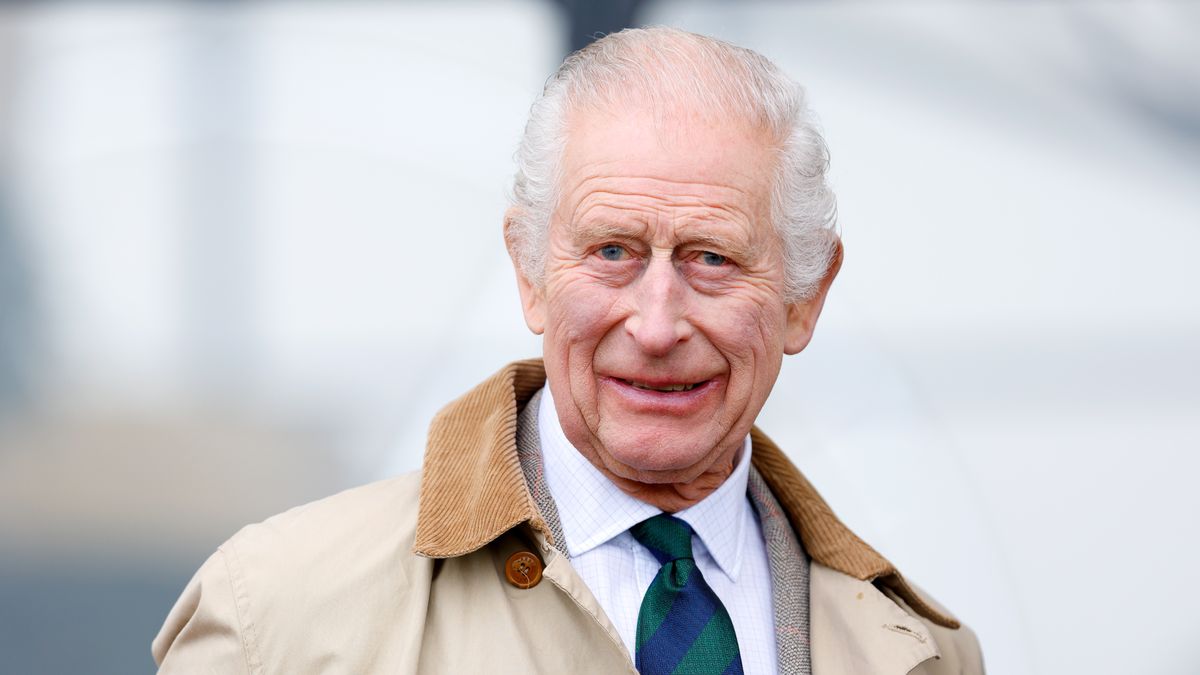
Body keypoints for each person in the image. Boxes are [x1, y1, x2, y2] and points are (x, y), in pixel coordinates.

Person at [153, 27, 983, 674]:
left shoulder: (924, 655)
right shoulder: (278, 619)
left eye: (712, 258)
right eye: (612, 251)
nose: (656, 326)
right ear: (530, 274)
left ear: (805, 297)